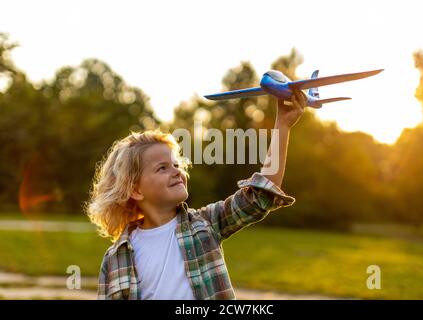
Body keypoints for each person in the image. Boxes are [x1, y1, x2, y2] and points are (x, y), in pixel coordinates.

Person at [86, 90, 306, 300]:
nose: (177, 171)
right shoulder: (115, 258)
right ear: (135, 190)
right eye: (162, 168)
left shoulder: (205, 223)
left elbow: (260, 195)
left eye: (176, 164)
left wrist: (283, 125)